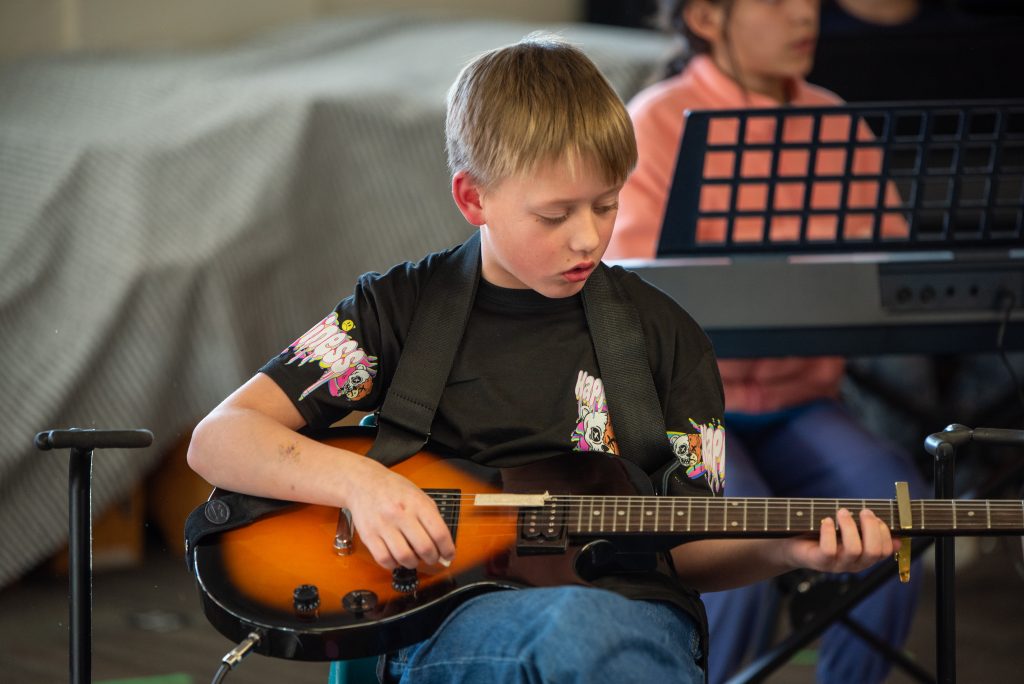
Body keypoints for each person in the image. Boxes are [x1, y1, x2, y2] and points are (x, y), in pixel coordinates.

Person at [187, 33, 898, 684]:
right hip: (441, 626)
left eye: (607, 205)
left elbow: (686, 546)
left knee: (606, 635)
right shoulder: (396, 309)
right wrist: (361, 485)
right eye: (554, 216)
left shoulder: (667, 335)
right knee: (578, 630)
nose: (588, 238)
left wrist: (787, 551)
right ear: (474, 198)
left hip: (639, 618)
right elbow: (220, 439)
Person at [604, 2, 926, 683]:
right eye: (776, 1)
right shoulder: (658, 121)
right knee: (734, 531)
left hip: (799, 404)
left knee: (896, 500)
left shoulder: (832, 118)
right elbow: (634, 296)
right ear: (707, 18)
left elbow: (888, 269)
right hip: (695, 412)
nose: (802, 15)